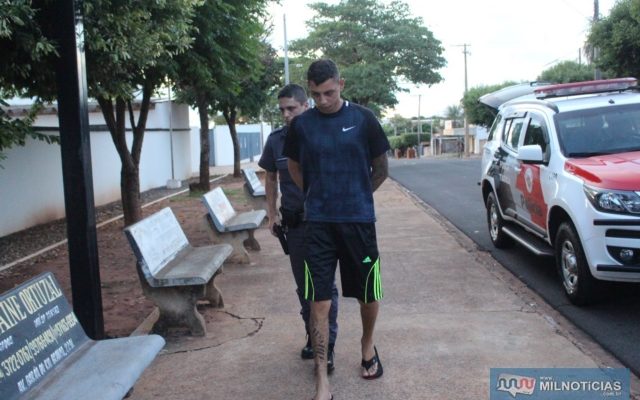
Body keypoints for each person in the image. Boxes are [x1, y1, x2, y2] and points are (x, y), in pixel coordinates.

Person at [283, 60, 390, 400]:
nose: (323, 100)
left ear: (341, 84)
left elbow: (381, 168)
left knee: (367, 293)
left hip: (358, 222)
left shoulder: (363, 119)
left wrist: (356, 195)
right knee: (318, 302)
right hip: (319, 225)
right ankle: (321, 378)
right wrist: (318, 196)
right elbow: (295, 167)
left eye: (329, 92)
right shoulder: (302, 125)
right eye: (315, 95)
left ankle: (367, 345)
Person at [258, 84, 339, 371]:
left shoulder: (324, 132)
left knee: (324, 288)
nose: (286, 114)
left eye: (291, 108)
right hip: (297, 226)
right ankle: (312, 335)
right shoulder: (277, 140)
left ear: (306, 106)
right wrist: (271, 214)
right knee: (305, 288)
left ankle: (326, 347)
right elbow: (270, 177)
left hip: (326, 222)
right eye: (282, 109)